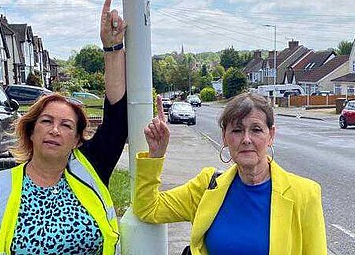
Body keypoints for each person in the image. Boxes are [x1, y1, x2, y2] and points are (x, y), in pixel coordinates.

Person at [0, 0, 127, 255]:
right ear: (31, 131)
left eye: (66, 125)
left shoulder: (90, 169)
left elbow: (117, 120)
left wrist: (112, 49)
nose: (55, 129)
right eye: (47, 121)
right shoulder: (1, 189)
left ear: (77, 139)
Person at [134, 92, 327, 255]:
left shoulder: (305, 194)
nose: (246, 139)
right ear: (224, 137)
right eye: (236, 130)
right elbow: (148, 208)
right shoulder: (207, 186)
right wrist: (155, 156)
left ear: (271, 135)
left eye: (256, 130)